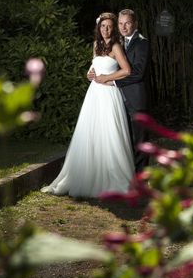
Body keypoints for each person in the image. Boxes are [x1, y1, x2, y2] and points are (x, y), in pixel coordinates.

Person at [42, 12, 134, 197]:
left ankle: (112, 178)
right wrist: (89, 74)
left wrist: (107, 78)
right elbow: (94, 68)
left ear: (113, 28)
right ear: (98, 28)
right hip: (94, 94)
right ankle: (86, 174)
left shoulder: (116, 46)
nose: (106, 30)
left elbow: (127, 70)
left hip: (108, 95)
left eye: (109, 26)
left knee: (109, 133)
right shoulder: (95, 45)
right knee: (90, 133)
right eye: (103, 26)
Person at [94, 9, 150, 172]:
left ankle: (141, 178)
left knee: (140, 141)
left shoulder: (142, 43)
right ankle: (127, 175)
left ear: (135, 24)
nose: (123, 27)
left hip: (136, 99)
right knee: (123, 140)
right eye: (120, 23)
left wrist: (112, 81)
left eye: (127, 23)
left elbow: (138, 73)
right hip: (117, 99)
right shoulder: (117, 41)